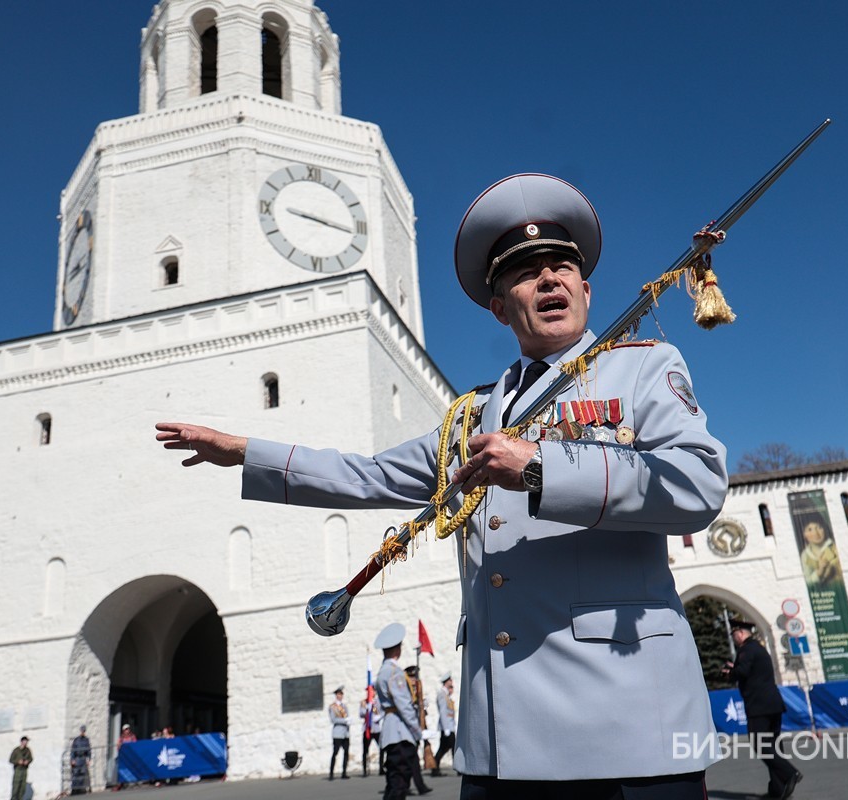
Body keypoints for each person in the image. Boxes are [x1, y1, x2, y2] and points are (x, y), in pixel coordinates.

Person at [156, 172, 728, 797]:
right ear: (500, 306)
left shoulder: (641, 368)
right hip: (502, 743)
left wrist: (540, 467)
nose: (548, 279)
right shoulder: (471, 417)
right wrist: (244, 452)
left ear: (586, 289)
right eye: (525, 272)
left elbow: (697, 484)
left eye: (562, 266)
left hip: (627, 728)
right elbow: (366, 476)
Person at [722, 620, 802, 799]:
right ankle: (778, 789)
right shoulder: (758, 648)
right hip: (772, 703)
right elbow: (751, 671)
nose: (734, 639)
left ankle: (789, 773)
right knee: (773, 745)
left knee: (760, 744)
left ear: (740, 634)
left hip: (759, 706)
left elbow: (742, 671)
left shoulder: (746, 650)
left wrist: (731, 673)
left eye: (734, 635)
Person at [373, 623, 423, 800]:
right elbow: (404, 705)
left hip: (391, 730)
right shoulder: (394, 672)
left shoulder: (383, 671)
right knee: (399, 783)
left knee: (394, 781)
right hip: (400, 732)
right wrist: (418, 732)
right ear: (397, 649)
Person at [402, 666, 433, 796]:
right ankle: (419, 786)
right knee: (412, 760)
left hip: (416, 729)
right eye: (413, 677)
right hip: (409, 730)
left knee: (411, 760)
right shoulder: (406, 690)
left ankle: (408, 786)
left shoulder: (416, 690)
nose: (415, 680)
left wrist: (422, 704)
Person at [798, 517, 841, 588]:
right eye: (810, 529)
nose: (816, 533)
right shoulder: (805, 555)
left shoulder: (834, 547)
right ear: (804, 534)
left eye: (819, 527)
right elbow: (808, 582)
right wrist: (820, 571)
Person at [433, 672, 456, 777]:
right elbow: (443, 712)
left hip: (449, 727)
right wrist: (446, 728)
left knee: (443, 749)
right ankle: (458, 768)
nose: (451, 682)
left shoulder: (446, 694)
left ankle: (435, 768)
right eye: (450, 681)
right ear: (446, 682)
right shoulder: (442, 694)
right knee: (451, 747)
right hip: (446, 727)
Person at [360, 692, 384, 777]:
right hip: (367, 729)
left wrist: (379, 717)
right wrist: (367, 708)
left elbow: (383, 712)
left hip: (376, 729)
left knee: (382, 748)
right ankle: (365, 769)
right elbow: (361, 714)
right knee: (365, 750)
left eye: (373, 691)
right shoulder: (364, 702)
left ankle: (381, 768)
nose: (372, 693)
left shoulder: (379, 701)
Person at [329, 685, 351, 780]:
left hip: (345, 733)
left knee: (346, 752)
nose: (340, 696)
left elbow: (347, 717)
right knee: (335, 752)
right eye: (338, 694)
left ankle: (344, 772)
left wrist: (349, 721)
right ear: (336, 695)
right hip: (337, 733)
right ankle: (331, 773)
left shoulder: (344, 706)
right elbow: (333, 720)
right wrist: (344, 721)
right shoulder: (332, 707)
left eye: (341, 694)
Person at [70, 725, 92, 795]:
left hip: (83, 758)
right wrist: (72, 759)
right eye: (82, 730)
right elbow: (73, 750)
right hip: (77, 758)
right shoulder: (76, 740)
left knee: (82, 775)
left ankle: (79, 789)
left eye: (84, 731)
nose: (83, 732)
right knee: (75, 774)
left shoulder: (86, 740)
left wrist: (89, 759)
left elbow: (88, 750)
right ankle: (74, 790)